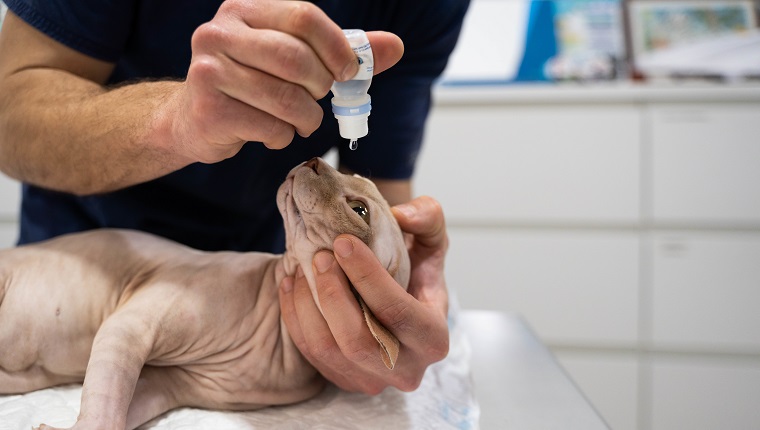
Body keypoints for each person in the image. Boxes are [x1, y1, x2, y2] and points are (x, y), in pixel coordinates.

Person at [0, 0, 469, 395]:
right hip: (75, 274)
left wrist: (398, 293)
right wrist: (176, 121)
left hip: (255, 307)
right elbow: (10, 113)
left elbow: (374, 180)